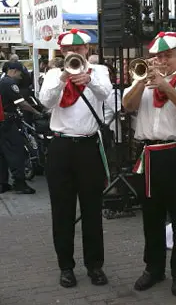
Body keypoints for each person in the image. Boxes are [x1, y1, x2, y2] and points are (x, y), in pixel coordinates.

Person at [122, 32, 176, 296]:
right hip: (150, 153)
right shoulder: (142, 76)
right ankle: (153, 268)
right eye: (157, 56)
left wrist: (165, 85)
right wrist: (142, 82)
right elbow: (127, 105)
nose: (161, 60)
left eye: (167, 55)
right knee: (151, 217)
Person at [39, 28, 112, 288]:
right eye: (69, 50)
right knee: (62, 210)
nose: (75, 53)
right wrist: (61, 78)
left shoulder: (99, 71)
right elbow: (45, 103)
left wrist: (89, 79)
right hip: (60, 147)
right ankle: (66, 267)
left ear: (87, 50)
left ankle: (95, 266)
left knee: (92, 210)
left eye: (79, 49)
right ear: (62, 52)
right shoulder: (51, 74)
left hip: (88, 146)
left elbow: (106, 95)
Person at [0, 62, 41, 194]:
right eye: (19, 72)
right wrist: (37, 113)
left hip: (2, 121)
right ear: (12, 70)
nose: (20, 76)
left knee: (2, 153)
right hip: (8, 122)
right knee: (16, 152)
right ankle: (19, 183)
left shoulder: (1, 79)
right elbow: (21, 103)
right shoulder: (9, 83)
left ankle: (2, 183)